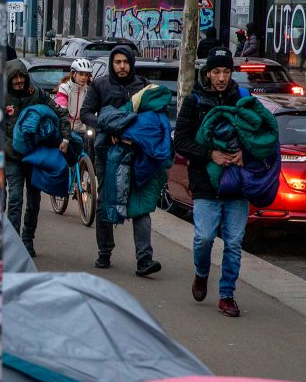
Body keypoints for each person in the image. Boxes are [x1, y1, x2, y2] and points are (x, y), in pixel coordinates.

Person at [173, 49, 257, 317]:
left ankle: (227, 295)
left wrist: (247, 152)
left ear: (232, 73)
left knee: (233, 243)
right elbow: (181, 142)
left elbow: (261, 135)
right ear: (207, 73)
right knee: (204, 238)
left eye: (226, 72)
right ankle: (201, 273)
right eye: (216, 72)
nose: (221, 77)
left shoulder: (243, 99)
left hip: (237, 185)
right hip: (205, 186)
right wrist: (210, 154)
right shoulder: (194, 100)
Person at [0, 60, 71, 256]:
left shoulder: (36, 94)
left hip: (35, 157)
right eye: (15, 78)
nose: (19, 81)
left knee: (34, 201)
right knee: (15, 199)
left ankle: (28, 240)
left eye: (22, 77)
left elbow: (60, 113)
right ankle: (13, 243)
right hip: (11, 156)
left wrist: (66, 138)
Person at [80, 45, 163, 275]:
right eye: (117, 62)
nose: (122, 66)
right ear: (112, 64)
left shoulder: (142, 86)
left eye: (125, 62)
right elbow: (87, 113)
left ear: (131, 63)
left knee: (140, 205)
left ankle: (144, 259)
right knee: (105, 201)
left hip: (136, 153)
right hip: (107, 152)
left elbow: (153, 116)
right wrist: (109, 128)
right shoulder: (100, 85)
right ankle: (104, 252)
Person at [55, 58, 93, 136]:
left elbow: (92, 110)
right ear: (73, 73)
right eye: (81, 74)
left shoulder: (89, 90)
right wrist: (65, 133)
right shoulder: (64, 88)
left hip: (83, 130)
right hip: (65, 128)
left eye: (86, 75)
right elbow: (61, 111)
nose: (84, 77)